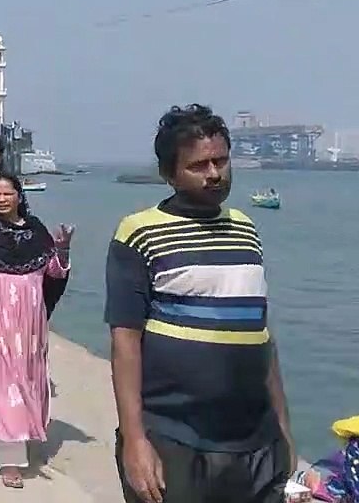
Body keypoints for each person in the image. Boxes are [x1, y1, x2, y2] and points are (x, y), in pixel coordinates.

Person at [106, 104, 294, 503]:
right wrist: (135, 441)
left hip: (255, 441)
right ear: (169, 173)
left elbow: (260, 333)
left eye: (221, 161)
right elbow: (125, 342)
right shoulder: (138, 233)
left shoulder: (245, 227)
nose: (214, 174)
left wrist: (283, 429)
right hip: (174, 436)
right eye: (199, 165)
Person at [0, 171, 74, 489]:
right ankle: (10, 459)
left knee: (27, 375)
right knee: (1, 380)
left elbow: (52, 271)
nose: (1, 199)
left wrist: (63, 249)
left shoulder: (36, 230)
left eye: (7, 193)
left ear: (18, 195)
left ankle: (24, 433)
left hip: (30, 319)